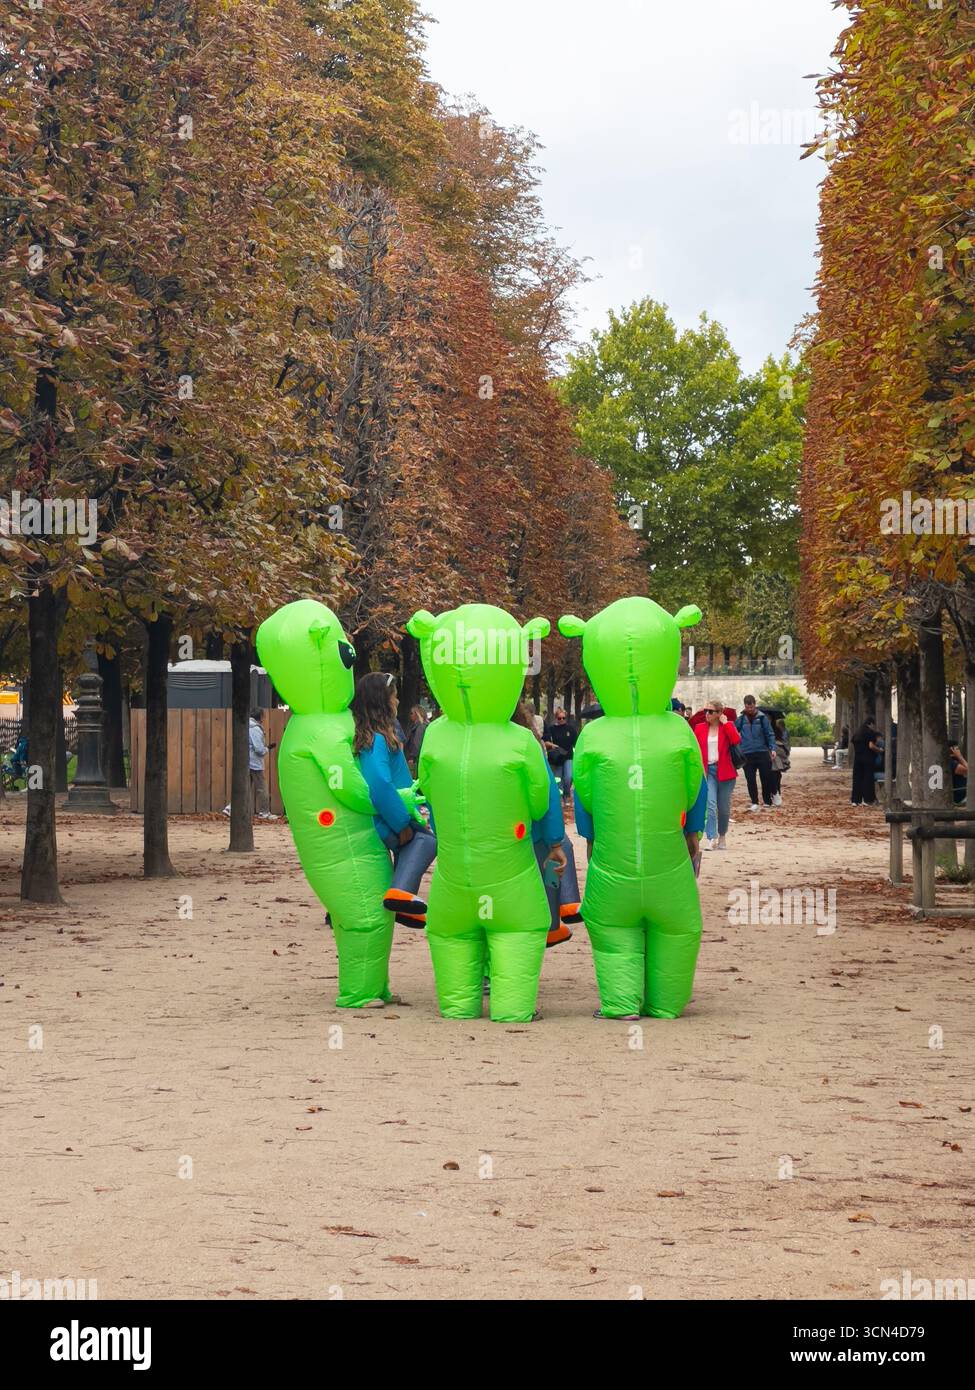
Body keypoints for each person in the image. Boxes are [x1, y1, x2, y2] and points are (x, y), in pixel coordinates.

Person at [353, 673, 437, 926]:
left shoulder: (374, 737)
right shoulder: (376, 740)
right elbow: (379, 784)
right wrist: (401, 823)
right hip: (388, 817)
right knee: (427, 839)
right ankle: (401, 893)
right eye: (394, 696)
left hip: (393, 812)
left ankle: (403, 896)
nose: (398, 701)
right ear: (382, 701)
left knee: (415, 841)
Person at [514, 700, 582, 947]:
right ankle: (557, 915)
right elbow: (546, 793)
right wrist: (554, 838)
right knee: (557, 858)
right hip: (533, 831)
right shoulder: (525, 742)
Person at [693, 700, 741, 850]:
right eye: (705, 711)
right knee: (711, 805)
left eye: (711, 711)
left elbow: (736, 740)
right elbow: (695, 750)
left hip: (726, 772)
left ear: (720, 713)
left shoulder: (726, 727)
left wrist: (727, 724)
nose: (707, 714)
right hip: (708, 772)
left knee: (724, 808)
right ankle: (711, 837)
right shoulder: (699, 728)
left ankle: (722, 836)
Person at [735, 695, 777, 811]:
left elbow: (770, 734)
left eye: (752, 707)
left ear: (755, 704)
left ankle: (767, 801)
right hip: (747, 753)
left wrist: (772, 748)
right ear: (745, 706)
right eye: (748, 707)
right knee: (750, 779)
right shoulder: (741, 719)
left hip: (762, 752)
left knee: (765, 778)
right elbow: (733, 732)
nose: (750, 710)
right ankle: (754, 802)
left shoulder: (763, 718)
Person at [543, 706, 579, 804]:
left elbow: (576, 743)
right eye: (559, 718)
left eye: (563, 718)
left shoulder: (570, 729)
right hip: (557, 758)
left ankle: (566, 795)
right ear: (556, 718)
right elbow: (546, 742)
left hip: (568, 757)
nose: (562, 720)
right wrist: (552, 745)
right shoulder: (551, 729)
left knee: (569, 777)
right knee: (558, 780)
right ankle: (560, 799)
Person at [249, 709, 278, 821]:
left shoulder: (246, 726)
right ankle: (264, 812)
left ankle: (231, 808)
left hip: (246, 761)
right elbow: (259, 749)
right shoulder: (255, 729)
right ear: (260, 717)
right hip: (255, 763)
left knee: (245, 787)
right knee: (262, 788)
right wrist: (267, 748)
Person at [850, 717, 880, 806]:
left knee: (857, 779)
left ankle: (855, 800)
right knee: (867, 778)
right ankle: (867, 799)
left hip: (858, 759)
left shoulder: (857, 733)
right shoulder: (870, 733)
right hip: (868, 759)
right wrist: (879, 750)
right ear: (870, 724)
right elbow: (871, 746)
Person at [769, 717, 791, 807]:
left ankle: (775, 792)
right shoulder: (777, 730)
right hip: (777, 752)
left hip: (776, 752)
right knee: (776, 773)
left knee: (774, 773)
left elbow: (784, 741)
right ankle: (776, 792)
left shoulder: (775, 730)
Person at [402, 704, 428, 772]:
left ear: (417, 714)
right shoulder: (425, 725)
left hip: (417, 759)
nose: (410, 715)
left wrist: (412, 757)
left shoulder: (420, 727)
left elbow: (417, 743)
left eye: (411, 713)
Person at [949, 741, 968, 805]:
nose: (959, 751)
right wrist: (960, 757)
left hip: (963, 792)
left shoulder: (954, 761)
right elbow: (970, 771)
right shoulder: (951, 762)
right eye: (957, 749)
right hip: (960, 797)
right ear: (952, 749)